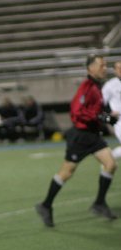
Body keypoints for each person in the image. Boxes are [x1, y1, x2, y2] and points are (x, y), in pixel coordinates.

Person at [35, 54, 118, 227]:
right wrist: (104, 117)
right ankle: (46, 205)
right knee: (66, 172)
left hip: (93, 135)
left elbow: (97, 112)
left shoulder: (97, 87)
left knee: (110, 164)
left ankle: (99, 203)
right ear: (91, 68)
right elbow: (76, 111)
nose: (105, 68)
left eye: (105, 65)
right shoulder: (87, 87)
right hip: (81, 136)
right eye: (101, 65)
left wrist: (108, 118)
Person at [101, 60, 121, 160]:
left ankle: (109, 160)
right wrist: (108, 114)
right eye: (118, 68)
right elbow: (100, 103)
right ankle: (109, 160)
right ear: (114, 71)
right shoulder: (110, 85)